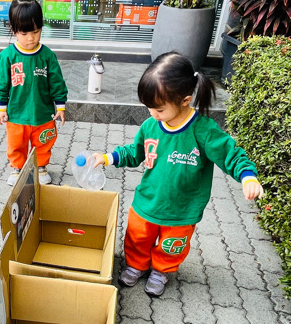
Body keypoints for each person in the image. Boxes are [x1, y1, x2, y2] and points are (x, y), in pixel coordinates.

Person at [92, 52, 265, 297]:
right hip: (148, 200)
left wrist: (247, 176)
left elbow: (231, 154)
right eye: (149, 107)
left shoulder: (204, 131)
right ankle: (137, 264)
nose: (152, 113)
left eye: (159, 109)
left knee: (171, 246)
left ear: (185, 100)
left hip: (182, 209)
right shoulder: (151, 125)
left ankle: (161, 270)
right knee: (137, 236)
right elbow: (135, 151)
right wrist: (108, 158)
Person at [0, 0, 68, 186]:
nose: (31, 38)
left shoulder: (47, 55)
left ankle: (41, 167)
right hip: (16, 114)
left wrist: (60, 107)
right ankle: (17, 168)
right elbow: (1, 84)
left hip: (43, 114)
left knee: (43, 142)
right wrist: (1, 108)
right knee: (16, 144)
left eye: (36, 31)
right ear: (14, 30)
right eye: (24, 33)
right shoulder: (7, 56)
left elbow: (57, 83)